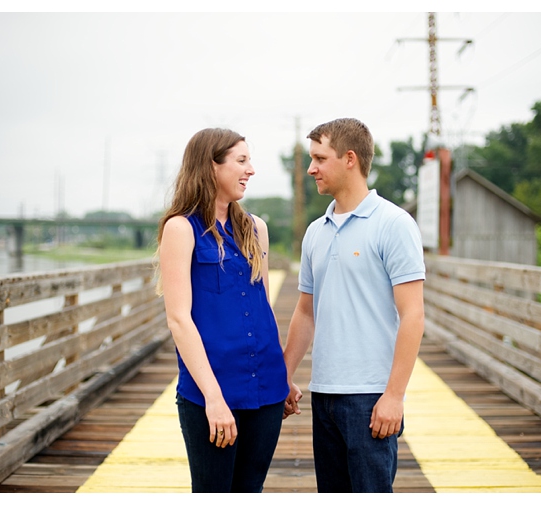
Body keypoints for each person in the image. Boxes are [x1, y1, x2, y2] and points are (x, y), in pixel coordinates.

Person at [281, 118, 426, 493]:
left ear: (349, 159)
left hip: (370, 396)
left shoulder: (393, 224)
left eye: (319, 158)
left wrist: (393, 396)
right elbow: (305, 311)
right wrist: (284, 374)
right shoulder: (316, 231)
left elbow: (414, 315)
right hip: (324, 391)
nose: (311, 168)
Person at [156, 127, 289, 493]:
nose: (251, 170)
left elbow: (261, 304)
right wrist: (214, 399)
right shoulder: (181, 229)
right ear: (211, 167)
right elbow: (179, 319)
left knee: (250, 492)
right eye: (241, 161)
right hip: (211, 392)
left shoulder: (254, 227)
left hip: (267, 387)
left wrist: (284, 374)